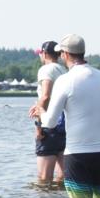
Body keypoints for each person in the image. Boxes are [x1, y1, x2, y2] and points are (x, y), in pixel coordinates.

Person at [29, 34, 100, 198]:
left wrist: (41, 111)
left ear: (65, 54)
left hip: (78, 156)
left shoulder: (65, 80)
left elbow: (50, 122)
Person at [32, 40, 67, 187]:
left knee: (43, 179)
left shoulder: (46, 70)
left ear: (44, 54)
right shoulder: (65, 70)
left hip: (49, 125)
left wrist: (38, 127)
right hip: (65, 125)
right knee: (62, 178)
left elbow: (45, 96)